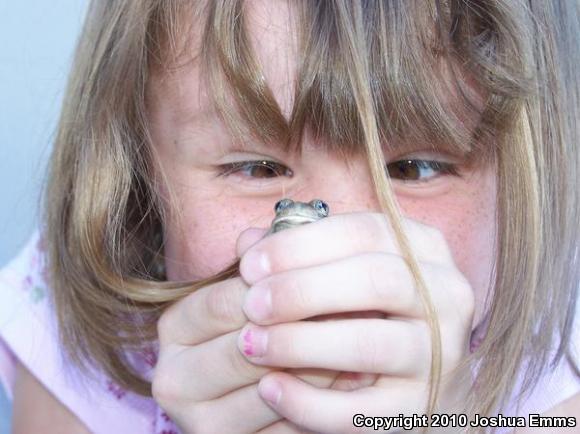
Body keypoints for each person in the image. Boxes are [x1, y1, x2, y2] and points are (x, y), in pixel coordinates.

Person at [0, 0, 578, 433]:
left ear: (528, 181)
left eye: (415, 168)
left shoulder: (557, 379)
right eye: (257, 168)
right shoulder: (80, 330)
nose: (336, 248)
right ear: (138, 172)